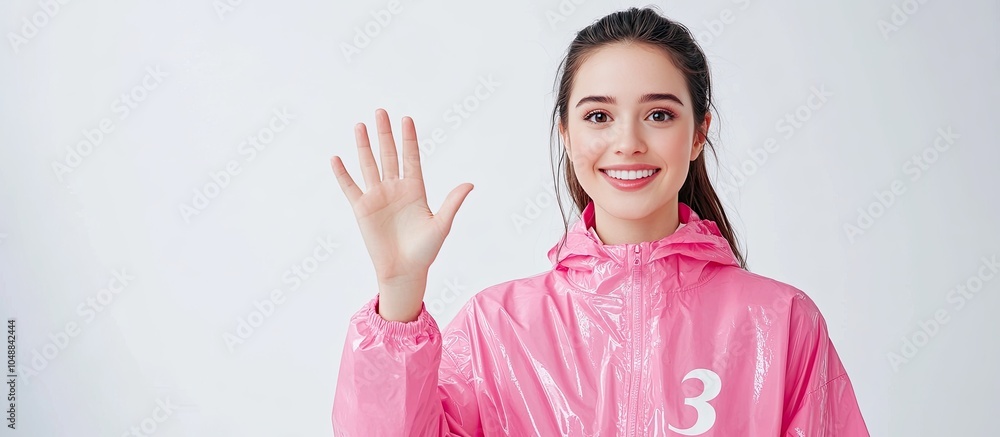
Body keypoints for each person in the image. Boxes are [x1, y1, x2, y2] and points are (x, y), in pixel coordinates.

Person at [328, 6, 870, 436]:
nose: (628, 142)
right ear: (565, 132)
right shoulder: (497, 328)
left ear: (699, 132)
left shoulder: (780, 322)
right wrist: (398, 296)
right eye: (598, 116)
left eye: (659, 114)